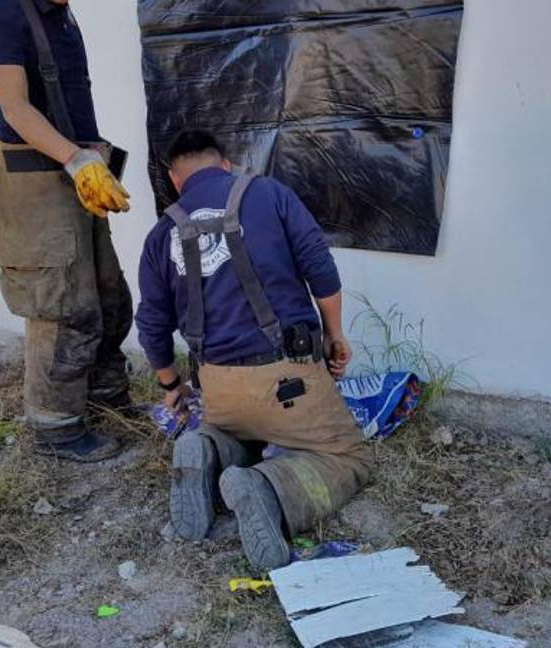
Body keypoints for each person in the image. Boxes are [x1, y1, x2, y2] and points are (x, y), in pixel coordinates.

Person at [135, 131, 373, 570]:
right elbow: (321, 271)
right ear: (226, 165)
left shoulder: (161, 233)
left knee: (244, 432)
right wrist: (333, 335)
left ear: (174, 179)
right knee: (349, 457)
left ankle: (207, 447)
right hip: (288, 378)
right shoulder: (269, 194)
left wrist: (171, 386)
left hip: (219, 387)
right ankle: (270, 490)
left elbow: (151, 323)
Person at [0, 0, 134, 462]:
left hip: (78, 172)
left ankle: (105, 398)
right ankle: (56, 426)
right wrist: (76, 159)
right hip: (38, 183)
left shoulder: (60, 13)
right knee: (60, 305)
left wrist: (92, 157)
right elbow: (15, 107)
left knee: (107, 296)